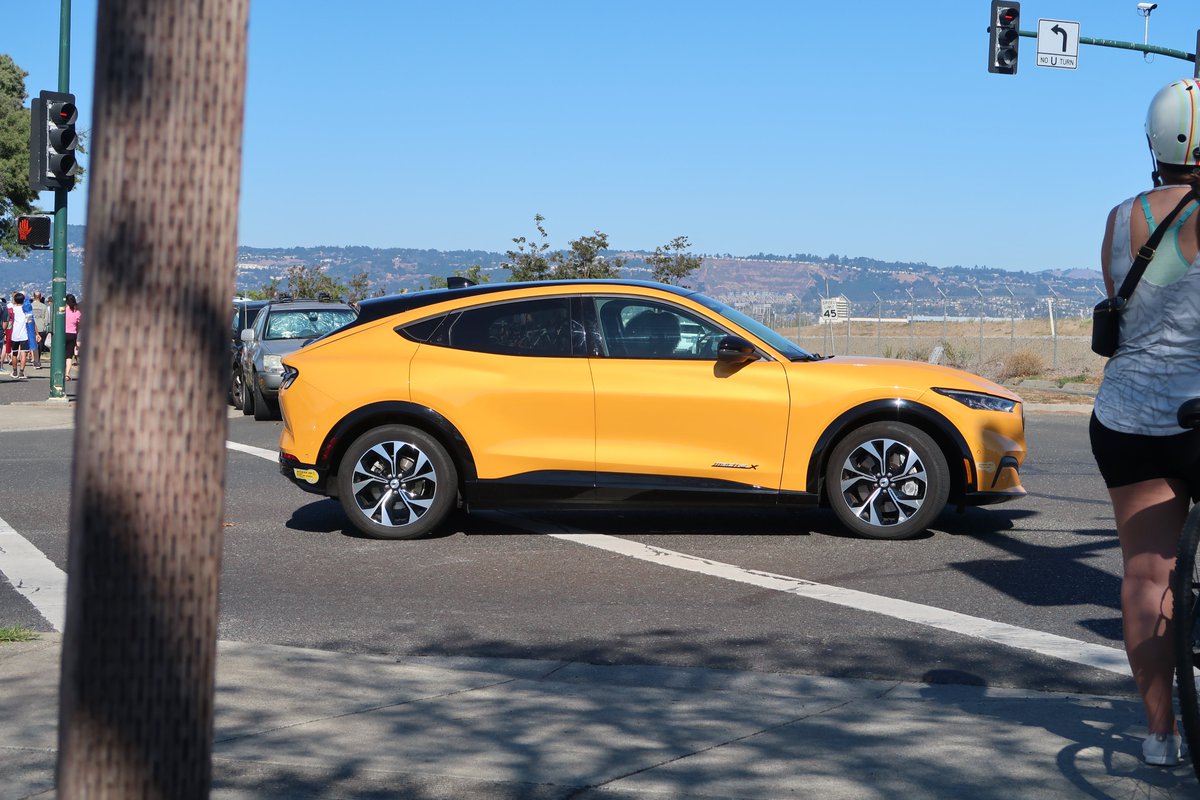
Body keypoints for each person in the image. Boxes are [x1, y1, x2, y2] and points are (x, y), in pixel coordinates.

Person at [1090, 77, 1200, 767]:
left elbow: (1126, 305)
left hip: (1127, 417)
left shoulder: (1120, 216)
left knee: (1146, 576)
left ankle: (1159, 738)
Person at [9, 292, 31, 379]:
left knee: (14, 353)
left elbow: (10, 322)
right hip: (24, 334)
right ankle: (21, 372)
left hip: (14, 334)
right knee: (23, 353)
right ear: (23, 300)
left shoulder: (12, 309)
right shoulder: (26, 309)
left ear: (15, 300)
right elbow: (30, 321)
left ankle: (14, 371)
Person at [30, 291, 48, 368]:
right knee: (40, 345)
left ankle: (35, 360)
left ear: (33, 297)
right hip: (41, 327)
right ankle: (37, 360)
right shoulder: (44, 306)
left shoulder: (30, 306)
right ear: (40, 297)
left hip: (31, 327)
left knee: (33, 345)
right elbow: (46, 319)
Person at [64, 293, 80, 382]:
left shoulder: (63, 311)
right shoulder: (77, 312)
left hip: (63, 334)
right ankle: (67, 374)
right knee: (69, 356)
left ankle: (61, 372)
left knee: (62, 354)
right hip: (72, 334)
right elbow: (78, 325)